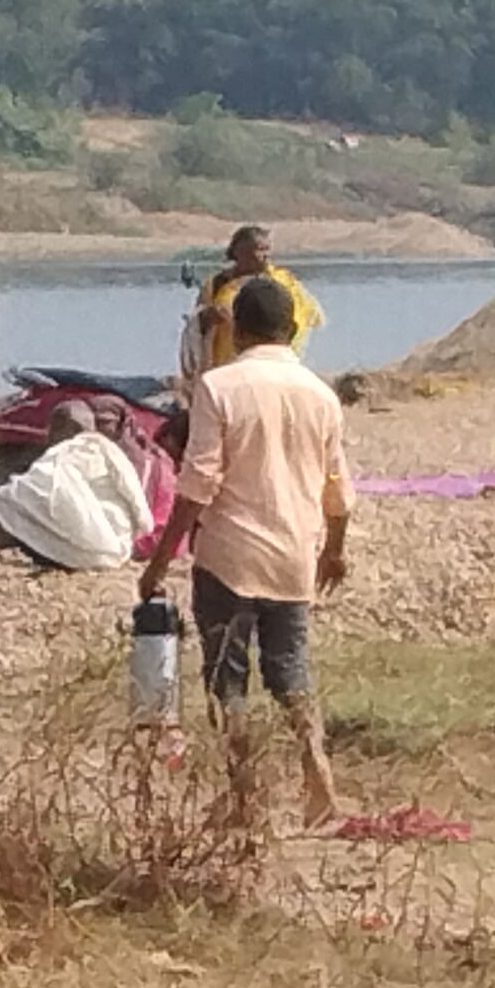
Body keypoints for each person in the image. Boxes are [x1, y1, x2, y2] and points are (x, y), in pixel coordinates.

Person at [142, 276, 355, 831]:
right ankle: (318, 778)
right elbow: (338, 492)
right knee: (290, 672)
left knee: (226, 678)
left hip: (230, 556)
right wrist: (333, 552)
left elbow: (198, 485)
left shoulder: (220, 387)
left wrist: (160, 562)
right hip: (293, 555)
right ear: (291, 328)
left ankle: (243, 796)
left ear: (237, 330)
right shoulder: (321, 395)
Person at [0, 400, 156, 573]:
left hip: (90, 552)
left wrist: (0, 496)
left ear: (71, 428)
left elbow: (40, 490)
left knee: (4, 502)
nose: (49, 437)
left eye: (53, 430)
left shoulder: (67, 451)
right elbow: (141, 512)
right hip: (122, 548)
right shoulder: (112, 452)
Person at [193, 225, 324, 374]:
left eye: (267, 249)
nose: (265, 255)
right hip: (227, 362)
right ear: (238, 251)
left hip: (273, 360)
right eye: (259, 249)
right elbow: (196, 324)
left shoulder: (282, 280)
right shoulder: (217, 284)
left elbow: (303, 312)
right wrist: (208, 317)